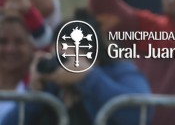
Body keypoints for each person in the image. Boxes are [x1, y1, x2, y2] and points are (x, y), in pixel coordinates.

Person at [10, 8, 152, 125]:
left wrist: (89, 77)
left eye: (67, 58)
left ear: (93, 58)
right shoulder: (53, 86)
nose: (62, 64)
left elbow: (140, 115)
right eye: (57, 57)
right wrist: (35, 93)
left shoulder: (119, 73)